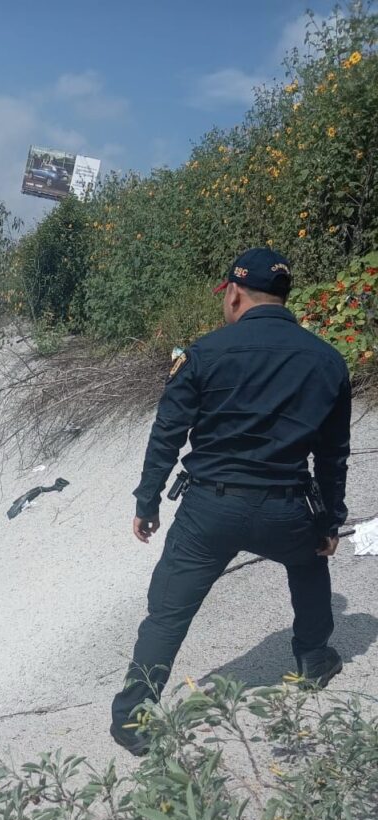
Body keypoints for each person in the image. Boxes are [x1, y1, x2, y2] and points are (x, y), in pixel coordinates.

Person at [111, 248, 351, 756]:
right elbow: (333, 457)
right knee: (310, 565)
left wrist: (147, 502)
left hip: (209, 512)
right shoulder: (328, 361)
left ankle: (133, 718)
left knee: (168, 613)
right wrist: (330, 520)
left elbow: (166, 435)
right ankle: (312, 658)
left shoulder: (204, 353)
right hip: (287, 509)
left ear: (235, 294)